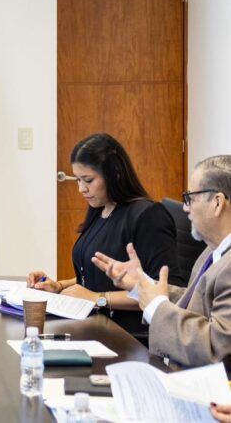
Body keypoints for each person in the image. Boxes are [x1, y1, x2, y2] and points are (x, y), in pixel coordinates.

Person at [27, 133, 180, 335]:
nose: (81, 189)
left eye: (88, 180)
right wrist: (59, 286)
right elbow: (98, 275)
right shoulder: (100, 209)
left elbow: (166, 293)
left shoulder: (148, 217)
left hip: (128, 335)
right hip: (92, 323)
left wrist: (97, 298)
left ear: (114, 174)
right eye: (78, 180)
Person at [93, 155, 231, 368]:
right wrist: (143, 285)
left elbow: (216, 348)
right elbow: (193, 303)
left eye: (190, 198)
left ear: (217, 203)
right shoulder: (211, 252)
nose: (185, 208)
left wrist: (157, 306)